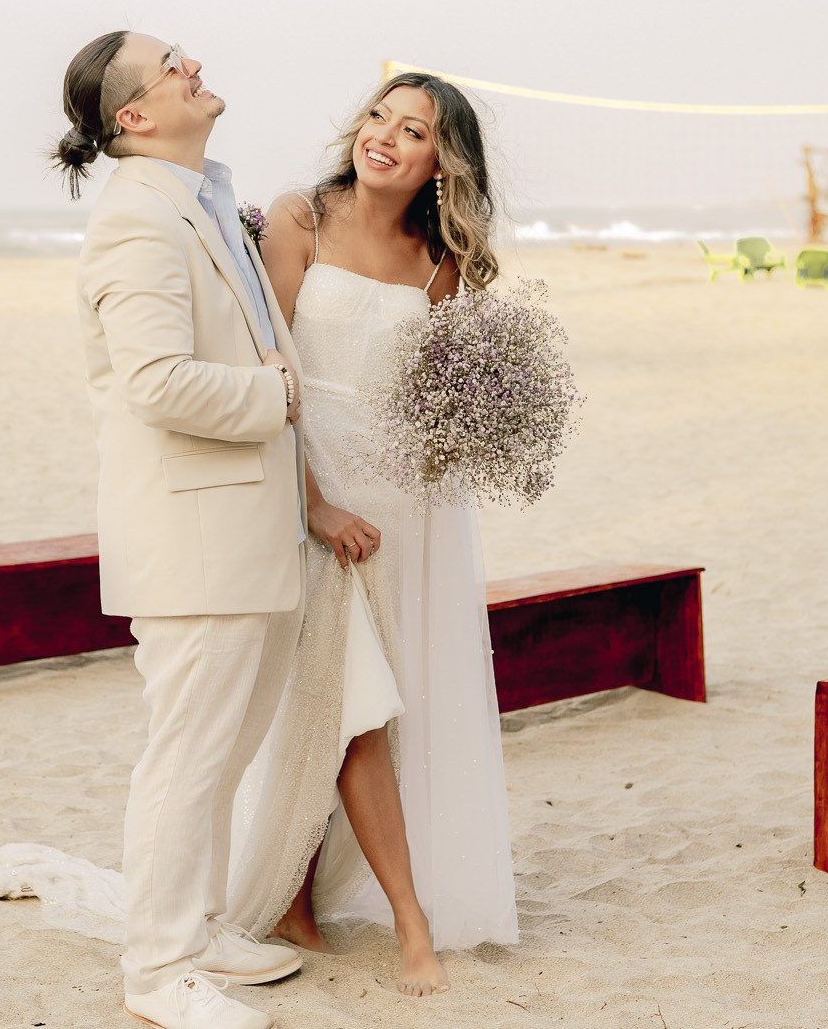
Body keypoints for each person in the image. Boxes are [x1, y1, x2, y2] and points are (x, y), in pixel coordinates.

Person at [224, 72, 519, 993]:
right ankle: (409, 919)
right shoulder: (298, 218)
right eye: (380, 116)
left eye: (415, 129)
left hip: (397, 507)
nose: (385, 136)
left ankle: (296, 894)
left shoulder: (444, 264)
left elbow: (440, 401)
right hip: (311, 491)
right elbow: (267, 366)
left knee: (347, 697)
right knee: (356, 705)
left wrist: (479, 432)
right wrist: (311, 499)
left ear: (443, 161)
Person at [57, 31, 310, 1029]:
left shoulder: (198, 200)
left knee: (225, 747)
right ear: (134, 117)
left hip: (248, 526)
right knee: (187, 754)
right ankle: (158, 970)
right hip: (193, 542)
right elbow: (156, 383)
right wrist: (279, 392)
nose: (193, 63)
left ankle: (198, 926)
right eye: (172, 64)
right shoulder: (136, 222)